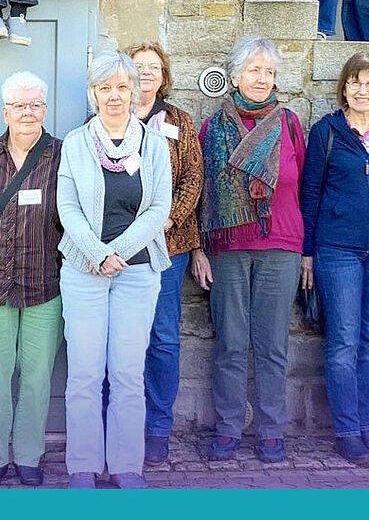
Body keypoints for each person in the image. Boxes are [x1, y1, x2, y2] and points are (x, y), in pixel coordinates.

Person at [57, 53, 172, 488]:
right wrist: (95, 253)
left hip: (138, 270)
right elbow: (66, 206)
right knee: (85, 373)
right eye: (105, 88)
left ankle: (126, 465)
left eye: (122, 87)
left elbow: (159, 207)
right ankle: (83, 466)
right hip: (83, 269)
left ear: (135, 92)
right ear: (93, 94)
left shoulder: (154, 144)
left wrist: (116, 252)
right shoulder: (75, 142)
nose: (114, 96)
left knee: (127, 372)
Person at [195, 35, 307, 463]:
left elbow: (307, 190)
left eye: (269, 72)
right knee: (230, 342)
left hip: (281, 245)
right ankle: (227, 427)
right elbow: (202, 191)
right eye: (254, 70)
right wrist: (200, 251)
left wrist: (308, 252)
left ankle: (271, 430)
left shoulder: (290, 124)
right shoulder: (213, 127)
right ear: (236, 75)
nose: (262, 78)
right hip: (227, 247)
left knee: (273, 343)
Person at [302, 51, 369, 463]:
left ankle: (365, 424)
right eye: (355, 83)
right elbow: (310, 193)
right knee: (343, 340)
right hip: (337, 250)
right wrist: (308, 252)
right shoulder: (326, 132)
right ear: (343, 87)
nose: (363, 90)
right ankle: (347, 430)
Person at [0, 71, 63, 487]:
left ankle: (29, 455)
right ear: (5, 112)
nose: (28, 112)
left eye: (36, 105)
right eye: (20, 106)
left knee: (37, 376)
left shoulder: (63, 154)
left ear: (45, 109)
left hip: (45, 282)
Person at [128, 42, 204, 466]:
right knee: (120, 342)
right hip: (119, 253)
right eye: (138, 66)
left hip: (167, 248)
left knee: (162, 339)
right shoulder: (103, 120)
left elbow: (193, 177)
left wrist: (168, 221)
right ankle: (118, 423)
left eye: (154, 67)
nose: (146, 74)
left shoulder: (179, 121)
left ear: (164, 75)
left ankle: (158, 426)